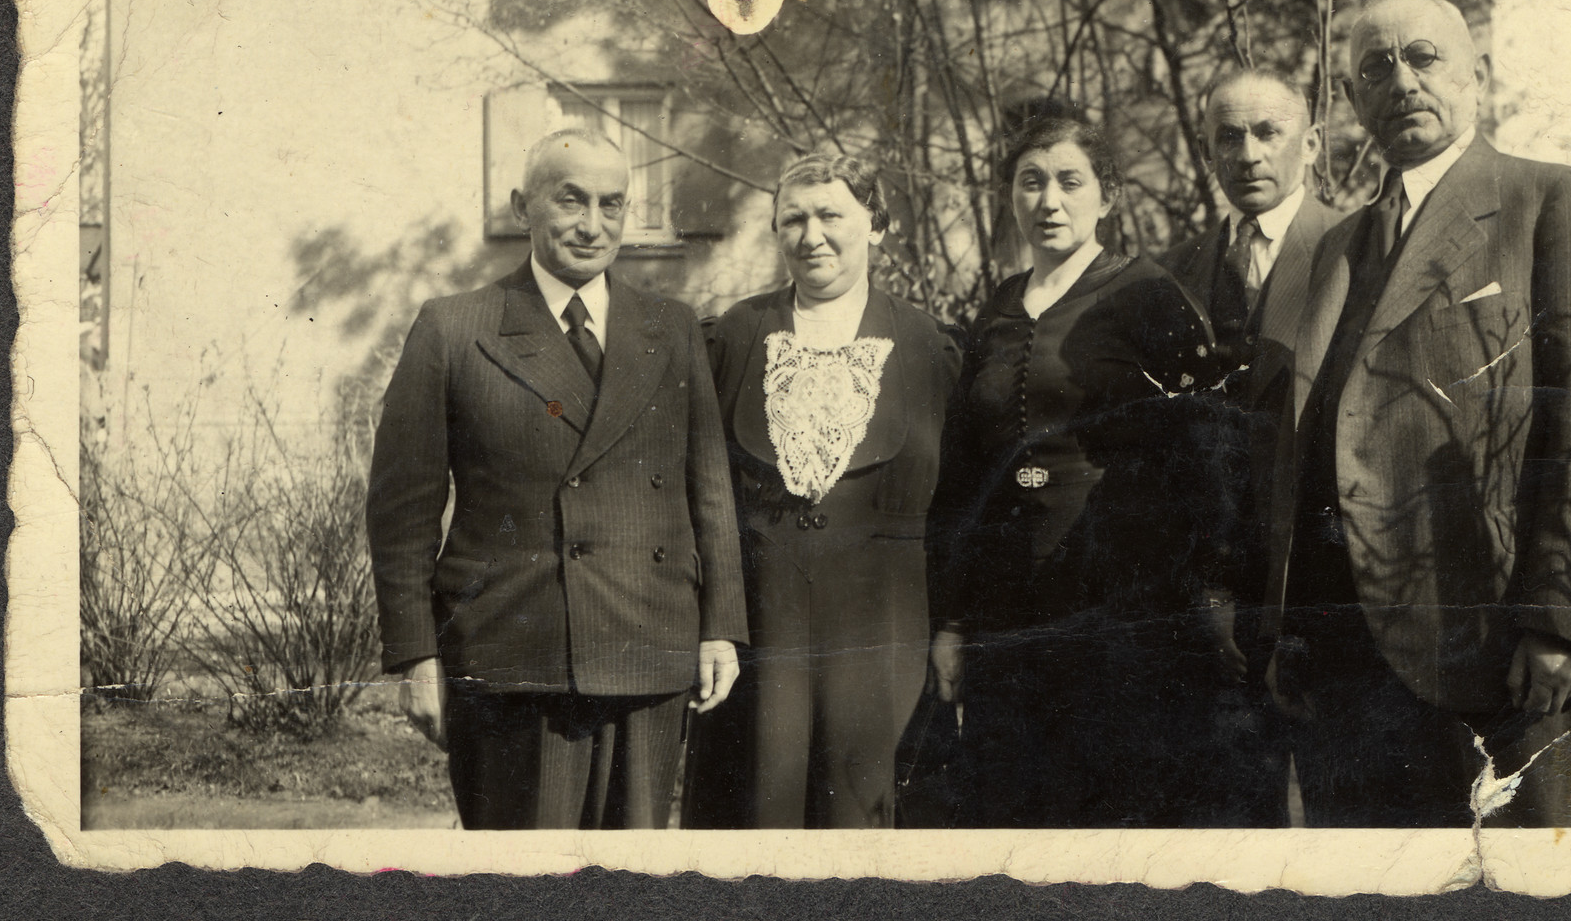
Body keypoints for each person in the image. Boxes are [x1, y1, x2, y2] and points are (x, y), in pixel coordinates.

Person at [1267, 0, 1571, 827]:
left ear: (1474, 78)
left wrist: (1563, 624)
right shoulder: (1337, 246)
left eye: (1423, 57)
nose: (1400, 79)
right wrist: (1289, 624)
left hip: (1499, 662)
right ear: (1350, 98)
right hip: (1346, 674)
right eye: (1375, 67)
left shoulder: (1551, 200)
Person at [365, 127, 747, 830]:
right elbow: (402, 510)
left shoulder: (671, 326)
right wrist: (416, 653)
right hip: (515, 656)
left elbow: (710, 490)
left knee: (630, 887)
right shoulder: (455, 329)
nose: (592, 224)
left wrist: (720, 627)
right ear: (522, 206)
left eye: (611, 204)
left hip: (649, 650)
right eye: (570, 200)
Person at [928, 102, 1225, 827]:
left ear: (1107, 195)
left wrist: (1207, 589)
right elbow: (967, 476)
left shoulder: (1148, 294)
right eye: (1030, 182)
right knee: (1016, 808)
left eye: (1069, 180)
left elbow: (1211, 452)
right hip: (1007, 610)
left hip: (1118, 602)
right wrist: (954, 619)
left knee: (1113, 806)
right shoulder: (995, 310)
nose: (1049, 201)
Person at [686, 154, 963, 829]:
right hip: (759, 636)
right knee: (756, 820)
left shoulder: (928, 347)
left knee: (864, 823)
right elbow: (697, 492)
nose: (811, 235)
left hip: (885, 636)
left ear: (878, 226)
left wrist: (954, 625)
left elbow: (962, 503)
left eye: (830, 215)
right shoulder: (733, 338)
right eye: (793, 219)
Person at [1156, 70, 1342, 826]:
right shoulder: (1177, 273)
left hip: (1327, 598)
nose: (1248, 153)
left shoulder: (1353, 249)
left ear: (1311, 142)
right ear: (1206, 151)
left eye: (1267, 132)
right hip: (1218, 609)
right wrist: (1206, 592)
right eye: (1227, 136)